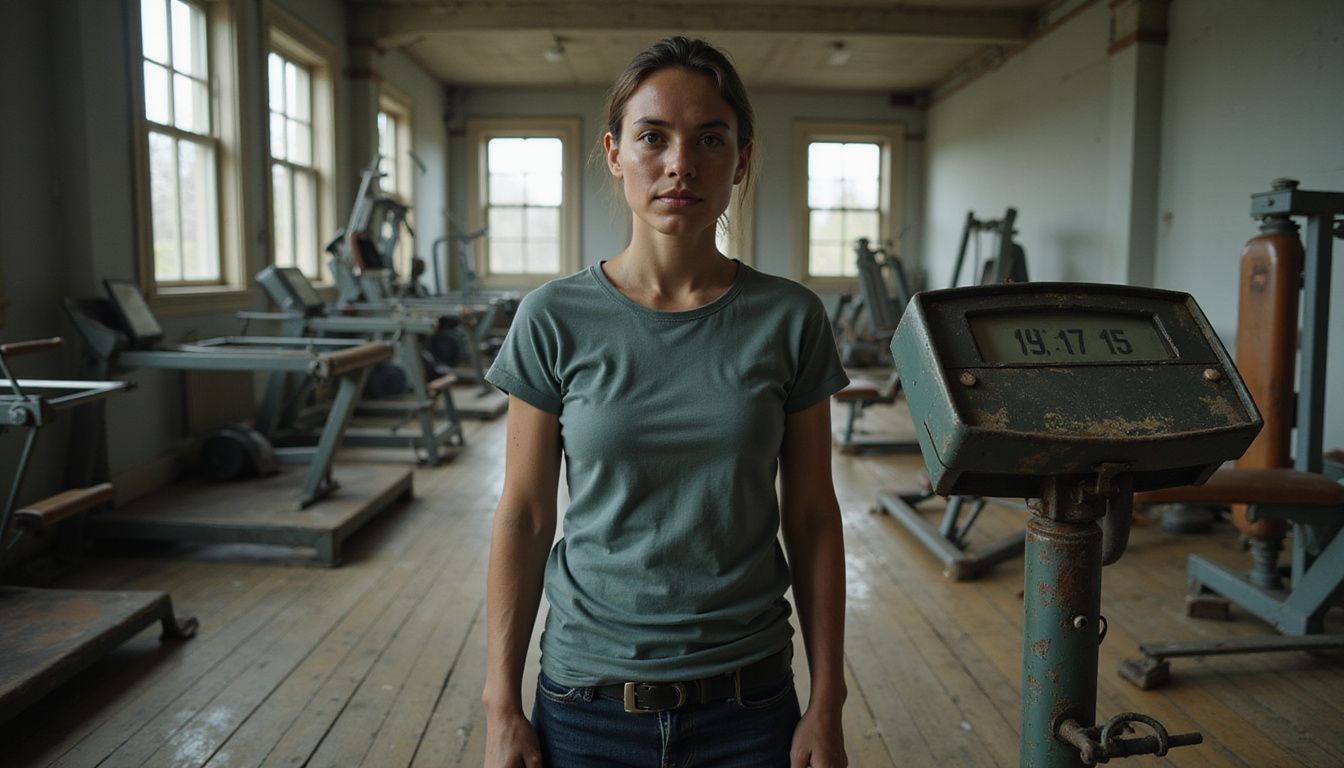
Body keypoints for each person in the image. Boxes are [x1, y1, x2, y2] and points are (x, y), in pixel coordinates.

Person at [482, 36, 850, 768]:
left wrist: (827, 703)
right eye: (654, 137)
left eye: (710, 139)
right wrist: (501, 707)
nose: (681, 164)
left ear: (741, 159)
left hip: (749, 705)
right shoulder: (553, 317)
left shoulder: (790, 318)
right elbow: (524, 515)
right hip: (588, 703)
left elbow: (812, 516)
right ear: (616, 153)